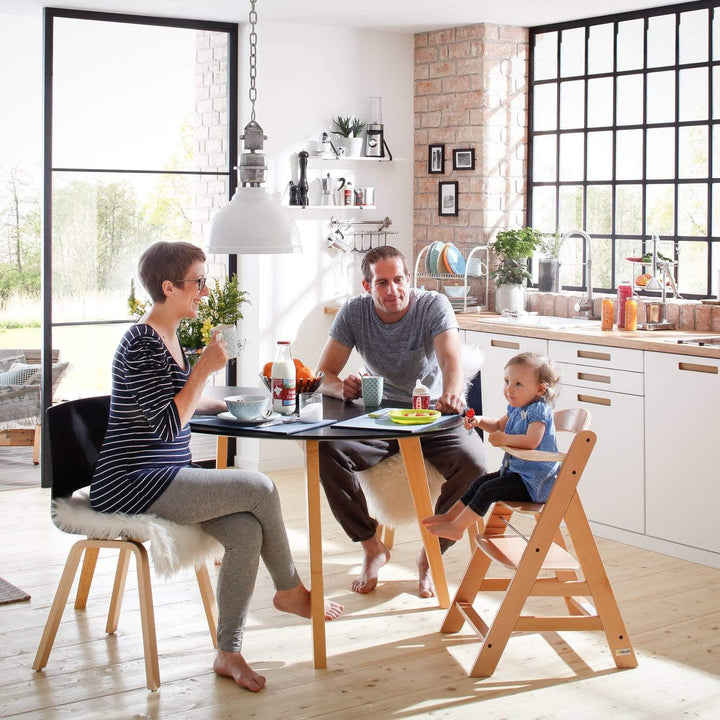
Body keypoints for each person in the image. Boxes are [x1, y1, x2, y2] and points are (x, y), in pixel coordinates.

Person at [90, 241, 343, 693]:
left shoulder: (167, 336)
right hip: (132, 484)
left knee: (245, 530)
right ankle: (289, 591)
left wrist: (237, 405)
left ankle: (228, 652)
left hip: (162, 477)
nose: (205, 291)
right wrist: (204, 369)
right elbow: (169, 425)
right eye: (198, 282)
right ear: (169, 287)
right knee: (261, 488)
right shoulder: (142, 342)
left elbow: (180, 405)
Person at [316, 245, 488, 598]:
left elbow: (450, 358)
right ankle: (371, 546)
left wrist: (453, 393)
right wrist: (342, 389)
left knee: (476, 464)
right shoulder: (353, 312)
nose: (392, 291)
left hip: (433, 415)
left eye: (398, 280)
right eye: (382, 283)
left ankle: (432, 553)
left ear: (409, 279)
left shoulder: (432, 306)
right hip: (380, 416)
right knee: (329, 451)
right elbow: (323, 373)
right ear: (367, 286)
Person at [423, 352, 560, 540]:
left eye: (518, 384)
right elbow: (497, 425)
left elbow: (531, 441)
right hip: (517, 474)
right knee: (480, 482)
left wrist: (504, 439)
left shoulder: (539, 411)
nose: (509, 389)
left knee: (488, 490)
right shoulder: (517, 407)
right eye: (507, 381)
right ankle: (450, 517)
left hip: (533, 483)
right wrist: (479, 421)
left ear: (540, 390)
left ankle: (458, 528)